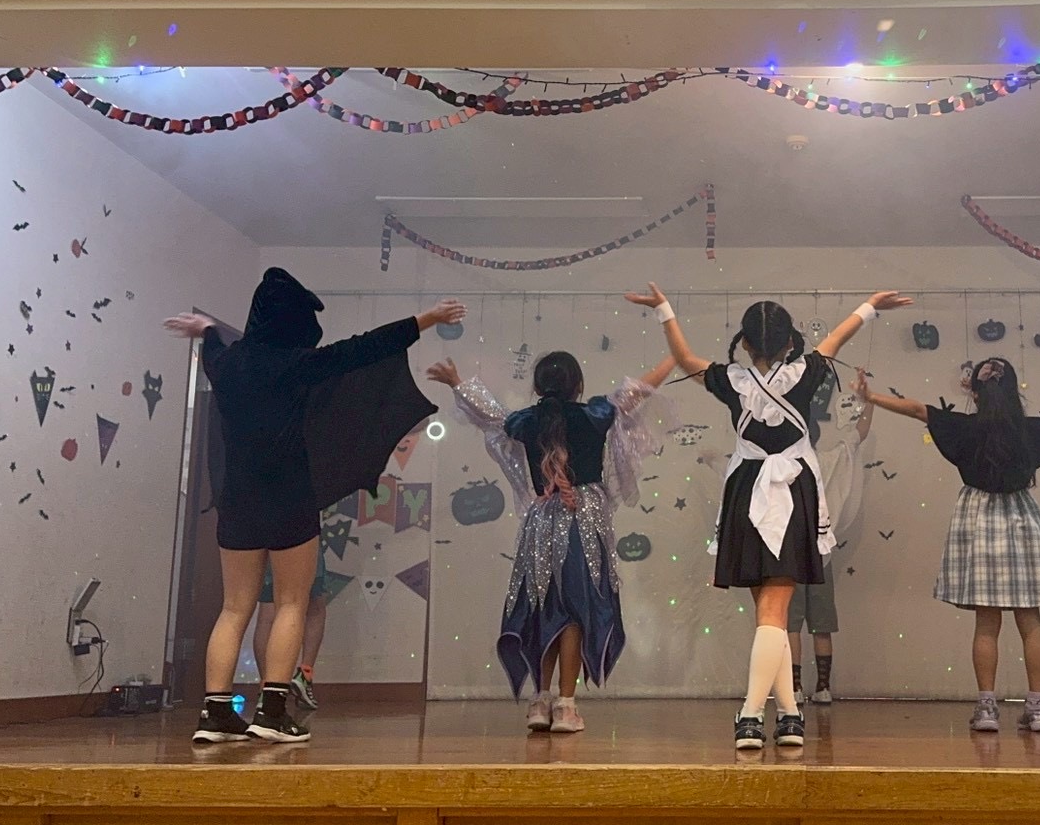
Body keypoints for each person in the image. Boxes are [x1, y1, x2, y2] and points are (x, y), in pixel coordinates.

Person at [166, 269, 462, 744]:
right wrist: (427, 318)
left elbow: (216, 346)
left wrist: (207, 330)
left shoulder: (227, 364)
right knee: (292, 602)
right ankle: (272, 713)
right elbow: (368, 346)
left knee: (235, 607)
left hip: (236, 499)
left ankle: (214, 713)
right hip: (289, 495)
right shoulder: (298, 364)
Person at [626, 284, 913, 749]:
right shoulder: (807, 371)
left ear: (744, 342)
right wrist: (870, 307)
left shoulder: (731, 381)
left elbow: (683, 357)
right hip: (793, 491)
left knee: (769, 614)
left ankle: (774, 714)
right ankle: (761, 716)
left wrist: (664, 309)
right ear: (789, 341)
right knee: (773, 615)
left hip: (746, 490)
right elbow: (838, 336)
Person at [854, 359, 1040, 735]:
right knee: (1030, 620)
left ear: (974, 392)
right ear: (1015, 391)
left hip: (977, 519)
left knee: (987, 623)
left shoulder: (963, 426)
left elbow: (918, 409)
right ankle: (1038, 710)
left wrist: (871, 396)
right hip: (1023, 519)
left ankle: (987, 709)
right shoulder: (1030, 430)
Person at [428, 351, 675, 734]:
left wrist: (457, 383)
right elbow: (637, 391)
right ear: (578, 385)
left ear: (538, 386)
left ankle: (540, 702)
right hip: (585, 519)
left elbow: (488, 414)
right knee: (575, 612)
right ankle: (566, 706)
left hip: (542, 522)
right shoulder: (595, 414)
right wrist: (673, 359)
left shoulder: (527, 422)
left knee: (545, 605)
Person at [790, 383, 875, 704]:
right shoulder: (829, 460)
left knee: (790, 626)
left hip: (789, 556)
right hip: (821, 555)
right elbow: (858, 435)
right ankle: (823, 689)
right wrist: (870, 401)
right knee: (821, 624)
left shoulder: (780, 468)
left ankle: (794, 689)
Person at [251, 555, 328, 711]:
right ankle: (304, 675)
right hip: (301, 543)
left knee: (267, 613)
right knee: (314, 606)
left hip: (259, 544)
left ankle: (266, 687)